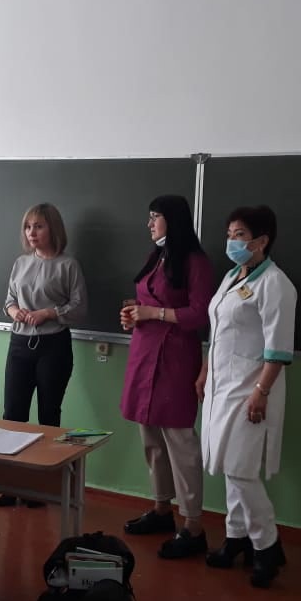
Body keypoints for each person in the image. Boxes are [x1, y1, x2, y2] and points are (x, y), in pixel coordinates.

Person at [198, 206, 296, 588]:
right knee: (228, 464)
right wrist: (205, 372)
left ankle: (267, 546)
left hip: (252, 389)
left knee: (241, 468)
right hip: (221, 386)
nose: (231, 242)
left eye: (239, 235)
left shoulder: (276, 284)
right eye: (229, 234)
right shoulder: (231, 277)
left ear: (262, 240)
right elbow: (219, 332)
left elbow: (278, 349)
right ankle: (236, 537)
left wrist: (261, 392)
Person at [119, 195, 214, 559]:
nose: (149, 224)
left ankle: (193, 526)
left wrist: (154, 314)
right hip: (145, 354)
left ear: (172, 220)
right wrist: (134, 314)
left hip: (175, 358)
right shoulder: (158, 255)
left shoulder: (195, 262)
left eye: (155, 217)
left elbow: (200, 314)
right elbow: (148, 301)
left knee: (180, 441)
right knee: (151, 435)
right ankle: (162, 509)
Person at [0, 203, 87, 507]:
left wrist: (49, 313)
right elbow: (9, 300)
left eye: (38, 226)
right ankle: (12, 484)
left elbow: (79, 308)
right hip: (19, 344)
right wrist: (15, 311)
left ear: (53, 229)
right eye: (28, 227)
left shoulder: (68, 265)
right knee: (13, 414)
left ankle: (42, 486)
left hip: (53, 346)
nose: (32, 232)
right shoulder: (21, 262)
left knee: (48, 417)